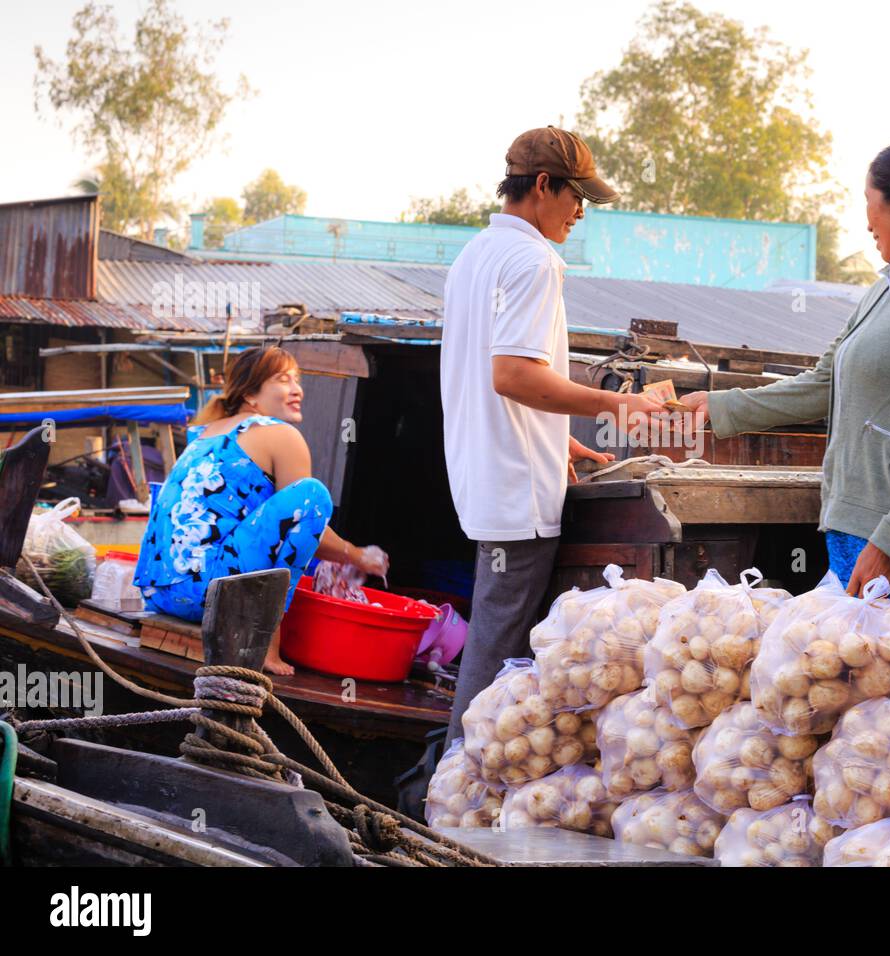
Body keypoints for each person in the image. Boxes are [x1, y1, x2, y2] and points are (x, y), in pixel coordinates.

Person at [681, 136, 890, 607]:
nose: (866, 222)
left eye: (869, 203)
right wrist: (720, 406)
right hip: (850, 530)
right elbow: (824, 384)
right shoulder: (882, 289)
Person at [439, 126, 665, 742]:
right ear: (543, 186)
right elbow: (514, 375)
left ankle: (458, 786)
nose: (580, 211)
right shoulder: (535, 260)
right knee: (495, 660)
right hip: (516, 496)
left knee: (495, 645)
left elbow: (489, 379)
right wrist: (619, 404)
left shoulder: (474, 256)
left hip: (490, 480)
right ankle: (453, 798)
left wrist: (554, 438)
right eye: (576, 196)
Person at [133, 346, 388, 675]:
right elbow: (307, 523)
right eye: (283, 380)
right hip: (207, 595)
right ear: (251, 395)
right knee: (312, 495)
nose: (297, 389)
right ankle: (266, 643)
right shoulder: (281, 435)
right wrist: (357, 555)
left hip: (159, 593)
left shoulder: (205, 433)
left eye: (297, 379)